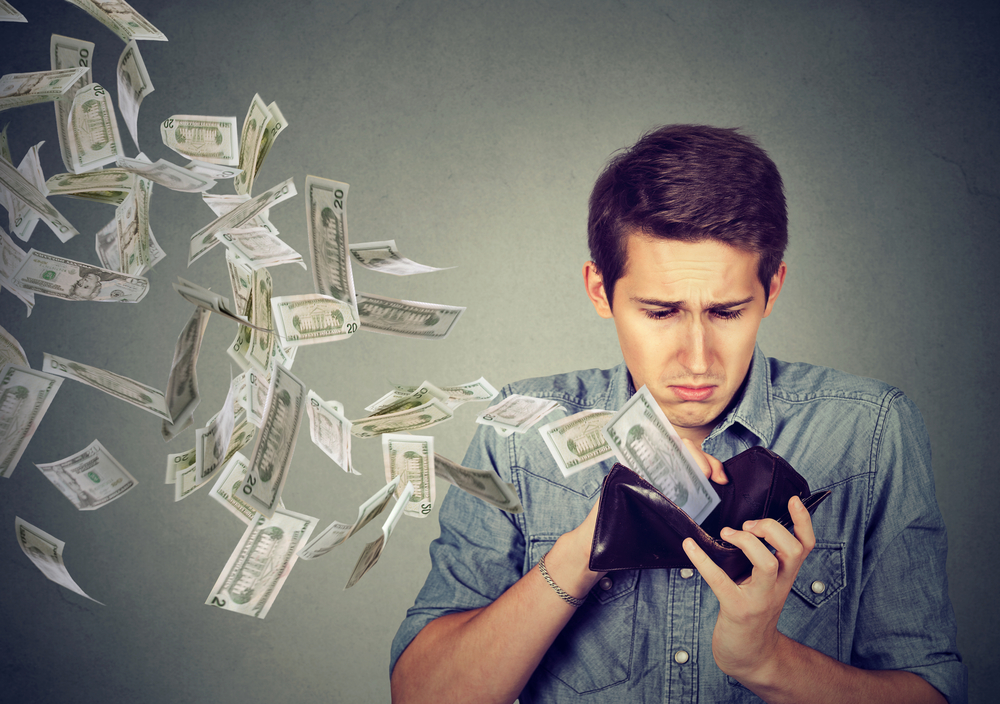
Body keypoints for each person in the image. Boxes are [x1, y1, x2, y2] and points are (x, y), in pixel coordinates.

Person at [389, 125, 966, 703]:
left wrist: (767, 661)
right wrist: (583, 550)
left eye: (727, 312)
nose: (697, 359)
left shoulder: (869, 433)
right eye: (661, 313)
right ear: (599, 290)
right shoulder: (520, 440)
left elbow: (932, 691)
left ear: (773, 289)